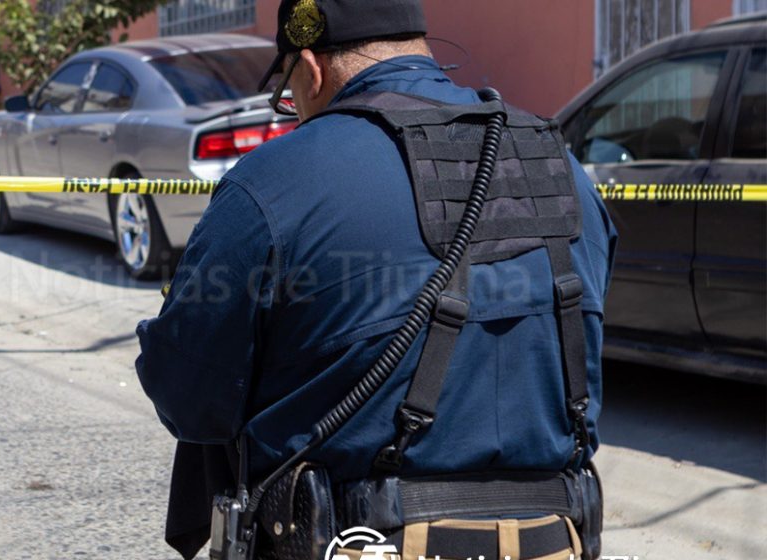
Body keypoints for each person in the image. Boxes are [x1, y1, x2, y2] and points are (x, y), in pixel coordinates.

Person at [136, 1, 617, 558]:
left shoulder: (274, 181)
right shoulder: (563, 169)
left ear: (310, 67)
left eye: (289, 94)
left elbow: (189, 399)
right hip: (555, 540)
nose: (294, 110)